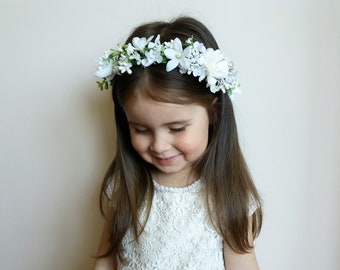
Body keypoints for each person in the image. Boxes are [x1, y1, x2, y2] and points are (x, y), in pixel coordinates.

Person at [93, 16, 262, 270]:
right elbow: (106, 259)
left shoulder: (228, 196)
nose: (159, 145)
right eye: (141, 129)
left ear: (213, 113)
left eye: (177, 128)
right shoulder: (124, 186)